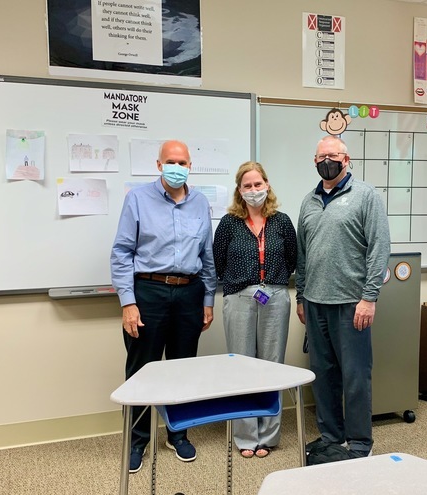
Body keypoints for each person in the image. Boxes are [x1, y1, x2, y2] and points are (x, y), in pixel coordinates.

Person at [110, 140, 216, 471]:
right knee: (142, 370)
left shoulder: (200, 203)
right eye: (170, 161)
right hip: (148, 293)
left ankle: (178, 434)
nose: (177, 167)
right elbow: (121, 253)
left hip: (189, 293)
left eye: (182, 162)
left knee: (183, 368)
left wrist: (208, 299)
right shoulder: (138, 199)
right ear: (159, 165)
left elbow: (207, 256)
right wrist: (128, 302)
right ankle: (137, 440)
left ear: (190, 166)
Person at [296, 135, 391, 460]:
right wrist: (300, 297)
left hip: (352, 304)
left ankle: (360, 442)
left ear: (346, 160)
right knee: (323, 375)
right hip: (314, 302)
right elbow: (303, 254)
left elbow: (380, 248)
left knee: (355, 376)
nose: (327, 160)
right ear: (314, 161)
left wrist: (369, 297)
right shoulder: (308, 201)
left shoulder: (366, 196)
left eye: (333, 155)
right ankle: (331, 437)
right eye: (321, 156)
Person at [213, 161, 297, 458]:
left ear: (267, 185)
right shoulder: (228, 224)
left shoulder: (282, 221)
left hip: (275, 296)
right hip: (239, 297)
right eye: (247, 186)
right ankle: (246, 436)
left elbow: (293, 260)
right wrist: (244, 284)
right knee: (242, 367)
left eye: (257, 184)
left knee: (272, 366)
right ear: (239, 190)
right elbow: (218, 264)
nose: (253, 190)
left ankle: (269, 436)